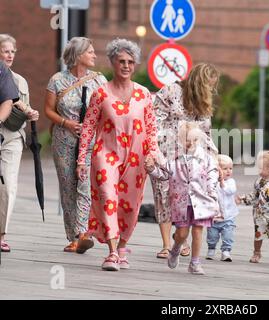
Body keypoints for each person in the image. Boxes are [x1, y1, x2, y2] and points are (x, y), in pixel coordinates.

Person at [76, 38, 158, 271]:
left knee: (130, 206)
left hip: (137, 158)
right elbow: (89, 127)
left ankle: (122, 246)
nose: (126, 66)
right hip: (106, 154)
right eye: (121, 61)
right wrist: (82, 159)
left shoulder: (144, 95)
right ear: (112, 62)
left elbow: (151, 129)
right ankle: (112, 253)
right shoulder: (100, 93)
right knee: (108, 197)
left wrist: (153, 153)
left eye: (130, 62)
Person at [44, 37, 107, 253]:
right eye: (90, 52)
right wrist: (66, 123)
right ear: (78, 55)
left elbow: (108, 108)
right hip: (63, 140)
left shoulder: (99, 81)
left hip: (90, 141)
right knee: (68, 187)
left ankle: (82, 233)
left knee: (85, 185)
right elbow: (48, 110)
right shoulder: (57, 80)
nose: (94, 55)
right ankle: (72, 236)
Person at [151, 63, 220, 259]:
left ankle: (181, 237)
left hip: (192, 158)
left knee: (187, 198)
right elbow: (155, 119)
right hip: (166, 152)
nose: (211, 91)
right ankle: (166, 244)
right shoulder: (171, 91)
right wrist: (156, 149)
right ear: (200, 83)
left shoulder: (203, 104)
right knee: (162, 193)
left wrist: (214, 158)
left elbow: (206, 134)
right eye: (209, 86)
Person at [145, 122, 219, 275]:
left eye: (194, 140)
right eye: (187, 140)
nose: (191, 143)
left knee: (198, 231)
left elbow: (213, 173)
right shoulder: (175, 159)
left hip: (201, 200)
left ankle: (195, 262)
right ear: (179, 140)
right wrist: (152, 169)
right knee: (182, 234)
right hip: (182, 203)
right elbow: (164, 175)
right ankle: (175, 248)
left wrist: (211, 189)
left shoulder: (206, 158)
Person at [0, 34, 39, 252]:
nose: (9, 55)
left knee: (8, 185)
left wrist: (31, 113)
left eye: (13, 51)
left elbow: (24, 108)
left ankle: (1, 234)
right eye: (6, 50)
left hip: (13, 138)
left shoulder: (20, 81)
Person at [206, 154, 239, 262]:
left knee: (228, 235)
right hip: (214, 215)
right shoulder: (212, 182)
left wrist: (222, 182)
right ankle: (211, 249)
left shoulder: (231, 182)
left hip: (228, 216)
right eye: (225, 169)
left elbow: (230, 191)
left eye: (230, 168)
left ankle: (226, 251)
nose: (228, 171)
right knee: (212, 235)